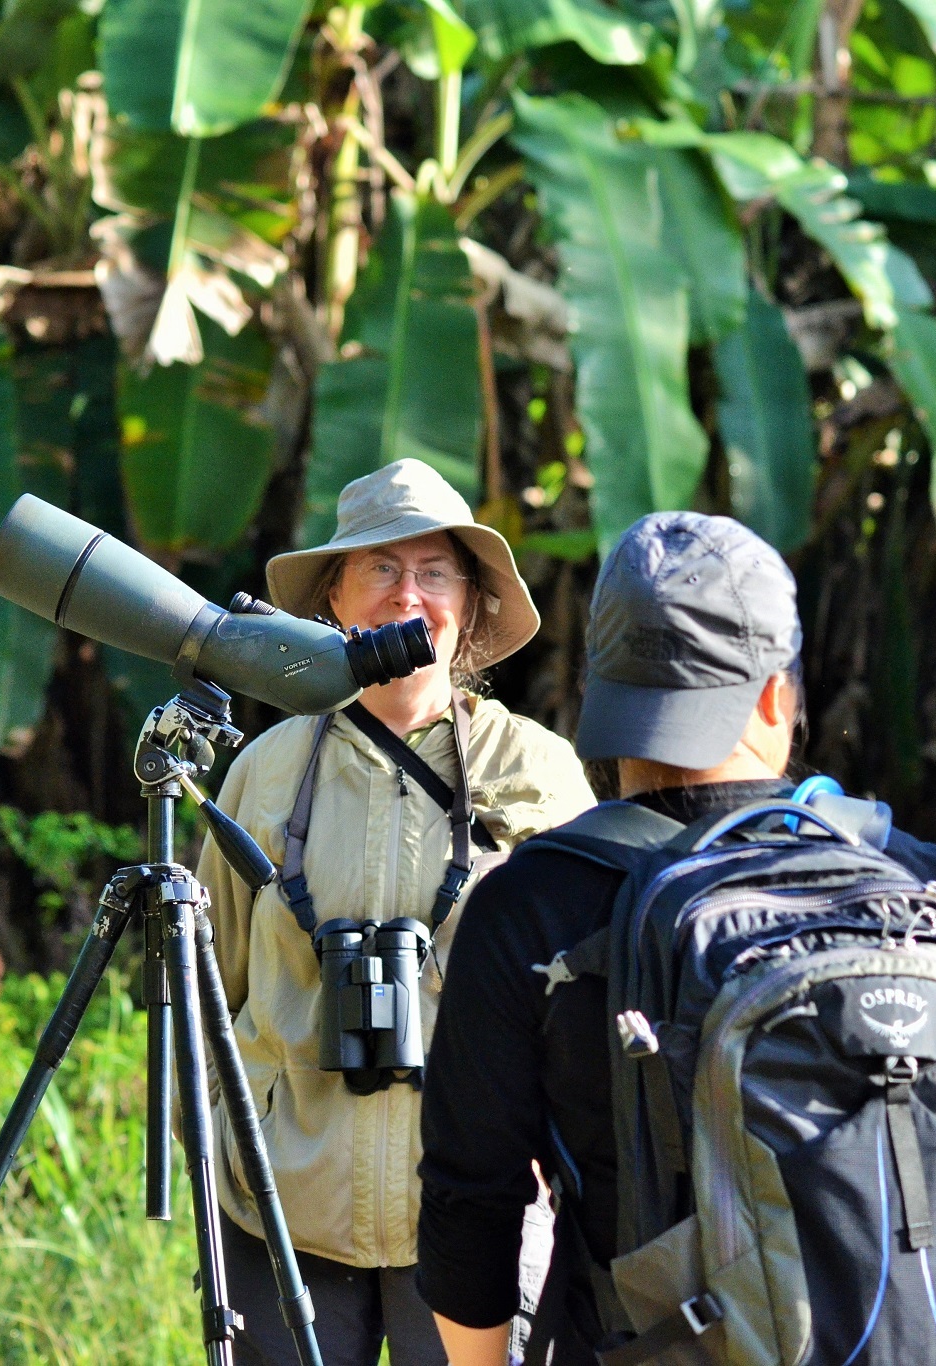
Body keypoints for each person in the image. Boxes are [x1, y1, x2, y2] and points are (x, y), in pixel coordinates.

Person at [414, 511, 936, 1366]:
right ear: (776, 694)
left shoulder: (531, 904)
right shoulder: (910, 874)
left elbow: (472, 1212)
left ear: (606, 695)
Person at [194, 459, 595, 1366]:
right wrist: (222, 1142)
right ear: (335, 595)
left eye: (434, 571)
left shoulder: (538, 774)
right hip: (281, 1204)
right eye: (378, 568)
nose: (406, 594)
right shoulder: (265, 770)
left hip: (475, 1205)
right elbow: (210, 989)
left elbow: (584, 1001)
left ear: (473, 602)